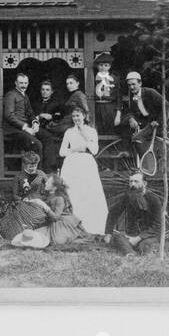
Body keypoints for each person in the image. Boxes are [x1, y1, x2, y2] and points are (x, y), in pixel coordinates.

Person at [59, 105, 107, 236]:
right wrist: (74, 149)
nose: (76, 118)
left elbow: (95, 150)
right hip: (72, 163)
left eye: (78, 116)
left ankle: (91, 226)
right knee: (73, 193)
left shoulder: (91, 131)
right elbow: (62, 152)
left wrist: (84, 135)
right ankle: (73, 227)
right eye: (74, 116)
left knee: (88, 193)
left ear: (84, 116)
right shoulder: (69, 132)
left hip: (86, 163)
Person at [105, 172, 165, 256]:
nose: (132, 184)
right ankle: (131, 254)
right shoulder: (128, 196)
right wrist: (108, 233)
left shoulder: (154, 200)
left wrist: (137, 238)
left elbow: (157, 226)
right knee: (116, 236)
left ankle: (132, 251)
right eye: (131, 181)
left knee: (146, 245)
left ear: (144, 183)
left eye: (136, 181)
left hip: (147, 237)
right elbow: (113, 213)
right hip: (130, 236)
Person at [0, 149, 47, 242]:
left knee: (42, 214)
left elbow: (49, 187)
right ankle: (26, 233)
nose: (33, 168)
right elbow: (15, 194)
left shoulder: (41, 174)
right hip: (24, 202)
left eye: (35, 166)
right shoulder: (19, 176)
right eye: (30, 166)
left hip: (39, 201)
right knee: (19, 220)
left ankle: (37, 232)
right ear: (24, 165)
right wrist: (22, 199)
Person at [114, 71, 166, 167]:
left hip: (158, 123)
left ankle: (145, 167)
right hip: (146, 123)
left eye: (134, 84)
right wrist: (131, 119)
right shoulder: (131, 95)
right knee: (124, 124)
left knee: (137, 138)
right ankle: (127, 152)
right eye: (129, 85)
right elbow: (130, 111)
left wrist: (159, 121)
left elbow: (167, 106)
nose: (131, 87)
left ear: (140, 83)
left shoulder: (150, 92)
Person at [43, 173, 92, 248]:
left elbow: (56, 217)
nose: (45, 183)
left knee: (58, 241)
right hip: (53, 221)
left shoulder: (59, 198)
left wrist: (44, 206)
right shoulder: (49, 195)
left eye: (48, 182)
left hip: (62, 221)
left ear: (54, 187)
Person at [2, 73, 43, 159]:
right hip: (12, 130)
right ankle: (35, 171)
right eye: (21, 83)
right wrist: (26, 127)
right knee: (37, 145)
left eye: (25, 83)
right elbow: (9, 115)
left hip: (24, 129)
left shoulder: (25, 96)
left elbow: (30, 113)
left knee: (46, 137)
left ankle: (48, 169)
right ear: (16, 83)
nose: (23, 85)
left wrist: (35, 123)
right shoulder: (11, 95)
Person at [35, 80, 68, 173]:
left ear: (51, 92)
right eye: (43, 89)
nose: (45, 92)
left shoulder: (56, 103)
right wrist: (40, 115)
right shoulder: (35, 103)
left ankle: (55, 167)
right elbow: (31, 116)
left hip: (51, 128)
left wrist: (52, 117)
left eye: (47, 90)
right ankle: (49, 168)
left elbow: (61, 115)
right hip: (37, 128)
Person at [92, 55, 118, 134]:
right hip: (97, 106)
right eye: (101, 65)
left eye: (106, 65)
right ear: (97, 66)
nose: (103, 67)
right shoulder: (93, 78)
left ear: (109, 67)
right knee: (98, 128)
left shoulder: (114, 78)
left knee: (110, 129)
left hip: (109, 107)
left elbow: (118, 96)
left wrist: (118, 113)